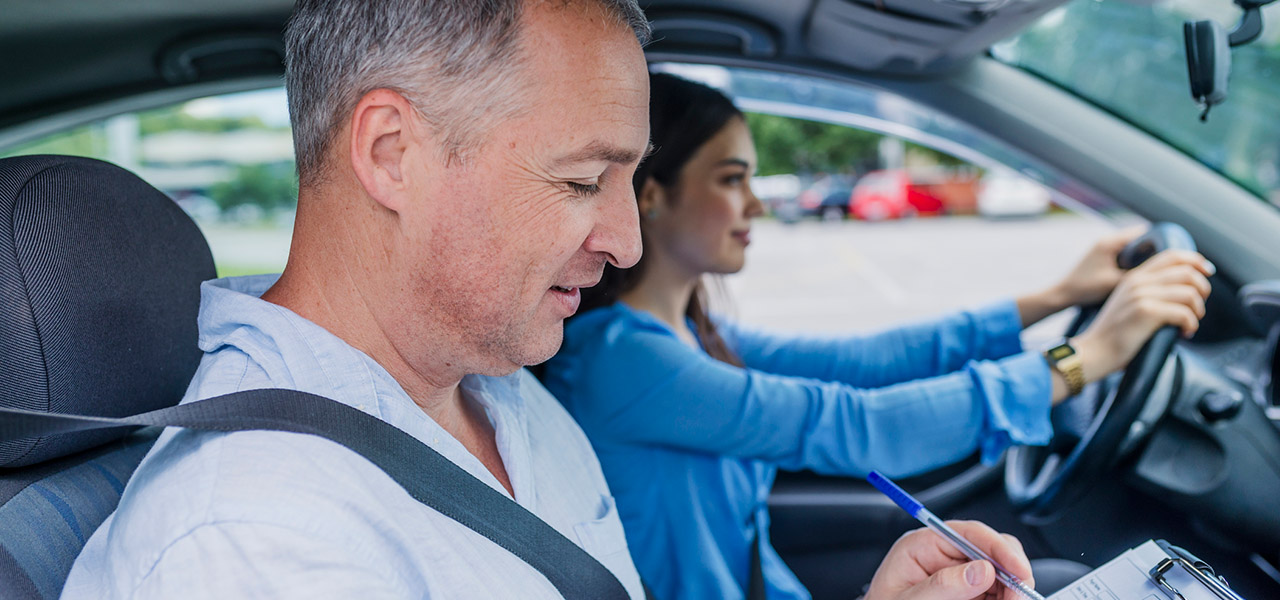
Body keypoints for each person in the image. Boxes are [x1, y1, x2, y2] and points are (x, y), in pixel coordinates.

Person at [55, 2, 1042, 600]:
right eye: (580, 183)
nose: (622, 241)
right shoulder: (258, 541)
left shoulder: (500, 395)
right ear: (393, 154)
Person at [540, 73, 1215, 600]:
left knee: (1054, 576)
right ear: (651, 195)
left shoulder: (688, 333)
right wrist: (1086, 358)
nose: (756, 204)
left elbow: (868, 362)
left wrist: (1058, 297)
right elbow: (856, 426)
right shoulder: (622, 359)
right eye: (731, 180)